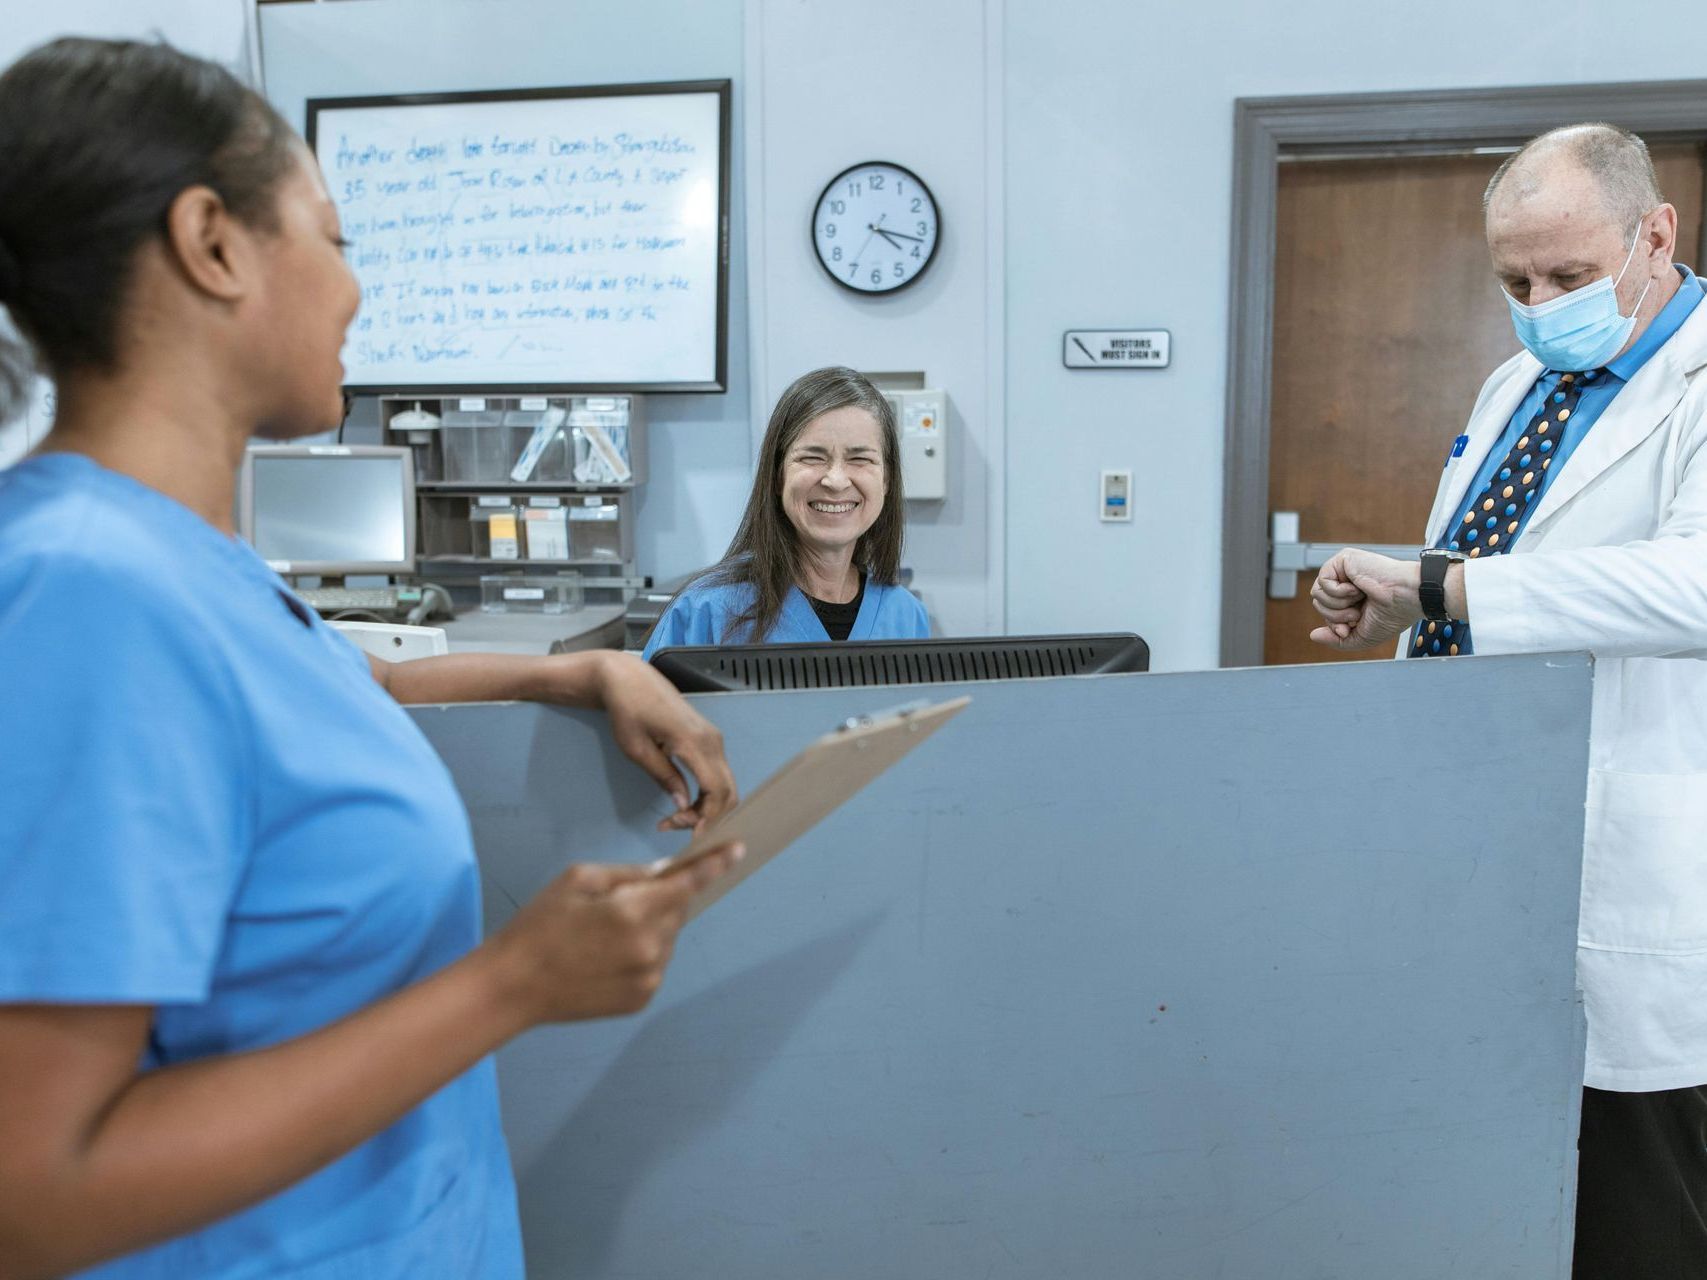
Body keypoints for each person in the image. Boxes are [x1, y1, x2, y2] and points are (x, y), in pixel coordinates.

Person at [0, 38, 743, 1279]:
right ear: (213, 242)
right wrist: (512, 983)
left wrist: (570, 671)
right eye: (335, 239)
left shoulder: (181, 561)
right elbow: (32, 1192)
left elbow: (325, 698)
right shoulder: (86, 591)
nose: (355, 290)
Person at [1306, 123, 1707, 1278]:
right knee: (1486, 1204)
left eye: (1570, 277)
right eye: (1515, 280)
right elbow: (1508, 571)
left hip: (1624, 875)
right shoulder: (1518, 378)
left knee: (1636, 1224)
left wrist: (1448, 582)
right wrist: (1404, 600)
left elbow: (1687, 586)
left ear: (1656, 234)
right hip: (1469, 859)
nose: (1539, 304)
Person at [641, 366, 930, 659]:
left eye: (860, 458)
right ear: (777, 476)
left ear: (886, 479)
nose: (836, 480)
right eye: (812, 457)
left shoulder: (906, 616)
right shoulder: (706, 612)